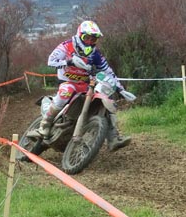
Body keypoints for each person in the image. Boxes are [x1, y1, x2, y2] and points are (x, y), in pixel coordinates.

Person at [27, 20, 135, 151]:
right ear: (80, 35)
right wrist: (69, 61)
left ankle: (113, 137)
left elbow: (108, 71)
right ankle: (44, 126)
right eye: (87, 37)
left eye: (93, 39)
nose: (89, 41)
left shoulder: (96, 54)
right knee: (66, 91)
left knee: (105, 97)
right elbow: (51, 61)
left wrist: (120, 88)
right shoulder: (66, 46)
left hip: (86, 85)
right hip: (67, 81)